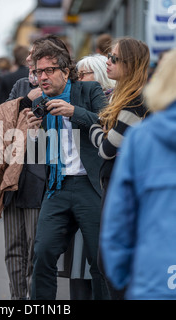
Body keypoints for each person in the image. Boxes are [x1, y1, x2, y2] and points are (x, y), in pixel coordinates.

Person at [27, 39, 109, 300]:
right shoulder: (40, 102)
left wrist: (75, 111)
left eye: (49, 70)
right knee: (42, 254)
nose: (43, 77)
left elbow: (109, 125)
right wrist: (32, 133)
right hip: (58, 186)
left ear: (65, 70)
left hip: (89, 184)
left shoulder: (89, 90)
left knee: (99, 261)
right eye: (39, 72)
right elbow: (39, 152)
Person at [100, 49, 176, 300]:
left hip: (156, 280)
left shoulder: (142, 139)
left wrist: (123, 277)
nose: (108, 62)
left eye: (114, 58)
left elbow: (119, 221)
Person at [2, 35, 73, 300]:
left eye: (37, 56)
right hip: (12, 177)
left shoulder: (63, 89)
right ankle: (17, 299)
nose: (30, 60)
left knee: (36, 249)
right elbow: (3, 121)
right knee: (13, 248)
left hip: (39, 177)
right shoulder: (21, 85)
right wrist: (26, 101)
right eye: (32, 56)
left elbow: (51, 135)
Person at [89, 37, 150, 299]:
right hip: (119, 184)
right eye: (108, 56)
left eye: (114, 58)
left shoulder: (135, 101)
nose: (108, 62)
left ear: (130, 64)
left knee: (110, 261)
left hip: (125, 188)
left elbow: (106, 149)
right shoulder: (123, 96)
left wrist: (90, 125)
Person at [59, 53, 116, 300]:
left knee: (97, 261)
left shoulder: (112, 102)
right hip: (77, 183)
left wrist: (76, 113)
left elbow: (107, 136)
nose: (79, 79)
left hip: (99, 187)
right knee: (78, 265)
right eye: (77, 74)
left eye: (84, 74)